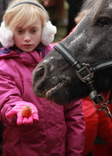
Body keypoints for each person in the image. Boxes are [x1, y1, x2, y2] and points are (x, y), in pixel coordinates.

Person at [0, 0, 85, 155]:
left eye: (33, 31)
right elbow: (6, 98)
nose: (27, 38)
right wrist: (16, 108)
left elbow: (74, 115)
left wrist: (74, 151)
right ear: (8, 33)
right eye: (20, 31)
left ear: (46, 32)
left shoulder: (60, 64)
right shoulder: (3, 68)